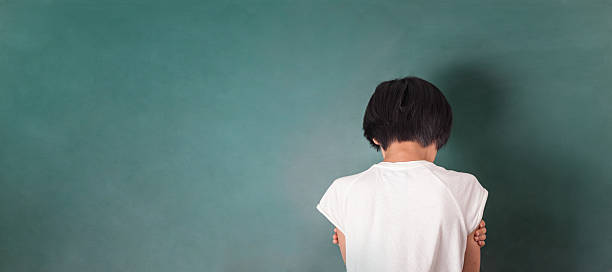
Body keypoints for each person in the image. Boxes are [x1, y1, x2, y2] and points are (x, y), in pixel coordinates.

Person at [316, 76, 489, 272]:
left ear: (375, 137)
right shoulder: (464, 187)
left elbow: (356, 262)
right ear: (438, 133)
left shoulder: (344, 191)